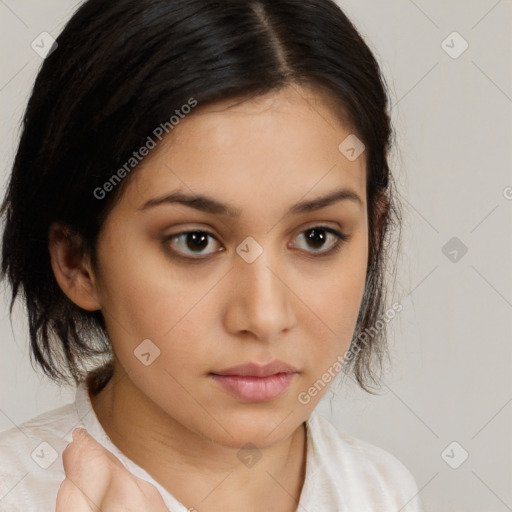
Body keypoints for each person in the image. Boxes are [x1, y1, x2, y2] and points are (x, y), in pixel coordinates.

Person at [0, 0, 425, 510]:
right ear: (77, 260)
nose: (265, 317)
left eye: (317, 236)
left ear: (373, 234)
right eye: (195, 241)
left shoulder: (381, 491)